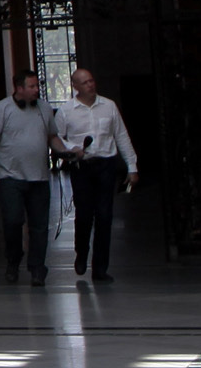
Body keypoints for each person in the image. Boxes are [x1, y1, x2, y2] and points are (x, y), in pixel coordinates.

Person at [51, 67, 138, 285]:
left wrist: (132, 166)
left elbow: (121, 135)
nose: (91, 85)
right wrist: (72, 150)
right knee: (84, 215)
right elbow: (56, 138)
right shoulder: (66, 111)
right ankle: (81, 253)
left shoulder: (108, 106)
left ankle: (100, 268)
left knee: (105, 216)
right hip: (82, 167)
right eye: (85, 82)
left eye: (92, 80)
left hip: (106, 165)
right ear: (75, 86)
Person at [0, 71, 54, 287]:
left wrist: (69, 151)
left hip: (39, 178)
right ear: (19, 88)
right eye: (31, 86)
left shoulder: (44, 109)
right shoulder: (2, 109)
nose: (36, 90)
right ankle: (13, 260)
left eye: (37, 86)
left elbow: (52, 137)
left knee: (39, 226)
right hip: (10, 176)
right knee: (13, 221)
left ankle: (37, 268)